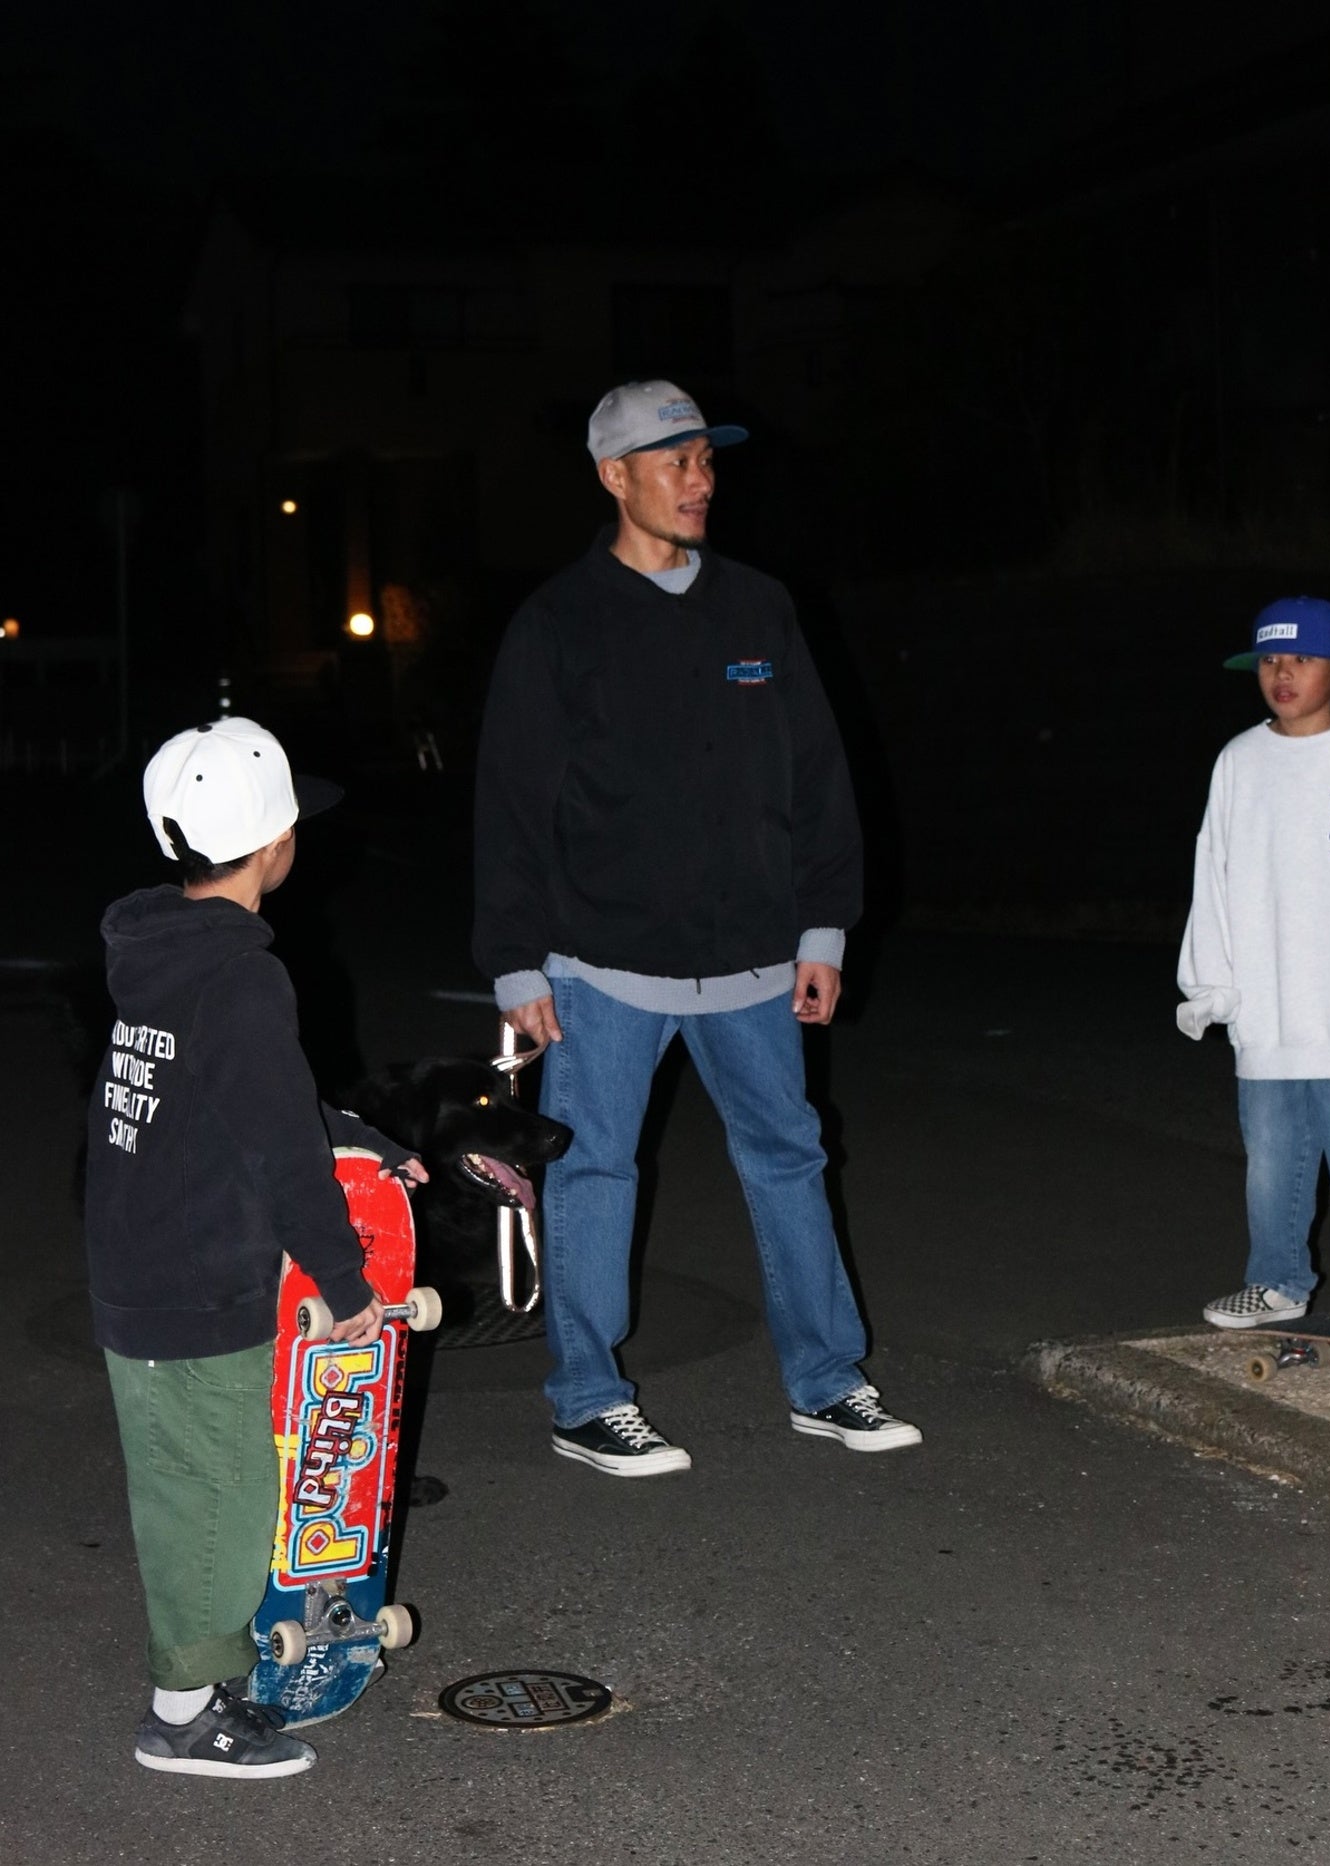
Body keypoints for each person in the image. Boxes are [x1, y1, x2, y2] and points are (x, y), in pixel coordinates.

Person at [471, 378, 921, 1475]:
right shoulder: (558, 623)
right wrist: (514, 962)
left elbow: (819, 776)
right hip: (601, 965)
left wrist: (823, 930)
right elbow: (513, 801)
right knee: (593, 1173)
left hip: (753, 962)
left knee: (789, 1159)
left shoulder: (758, 608)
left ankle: (827, 1380)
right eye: (674, 461)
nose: (700, 480)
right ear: (613, 476)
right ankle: (587, 1399)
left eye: (706, 459)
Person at [85, 717, 427, 1777]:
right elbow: (278, 1146)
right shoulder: (240, 977)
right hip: (194, 1282)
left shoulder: (161, 953)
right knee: (215, 1500)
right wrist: (346, 1280)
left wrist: (362, 1139)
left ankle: (203, 1684)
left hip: (141, 1261)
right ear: (277, 844)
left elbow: (249, 1096)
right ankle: (181, 1718)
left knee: (199, 1484)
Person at [1177, 596, 1330, 1338]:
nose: (1282, 673)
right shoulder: (1239, 761)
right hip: (1268, 1006)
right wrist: (1212, 985)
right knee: (1272, 1162)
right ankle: (1276, 1281)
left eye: (1302, 658)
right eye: (1270, 659)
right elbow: (1213, 872)